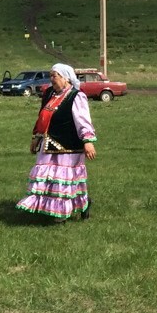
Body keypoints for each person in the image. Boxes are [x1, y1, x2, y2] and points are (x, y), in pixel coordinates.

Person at [17, 63, 96, 222]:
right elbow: (43, 118)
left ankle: (65, 211)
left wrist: (87, 140)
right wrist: (36, 138)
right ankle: (54, 208)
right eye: (51, 75)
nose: (51, 79)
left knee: (64, 180)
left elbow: (83, 120)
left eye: (55, 75)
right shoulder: (49, 94)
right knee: (49, 179)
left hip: (68, 145)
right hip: (49, 143)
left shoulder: (75, 96)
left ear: (66, 78)